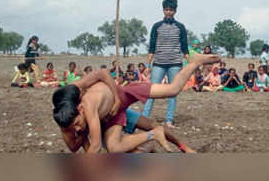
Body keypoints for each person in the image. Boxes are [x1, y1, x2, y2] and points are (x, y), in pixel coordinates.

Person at [52, 53, 219, 153]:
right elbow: (76, 147)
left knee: (172, 90)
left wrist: (117, 98)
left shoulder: (83, 99)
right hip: (111, 115)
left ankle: (195, 62)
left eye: (76, 123)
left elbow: (95, 147)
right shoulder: (65, 118)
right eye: (72, 127)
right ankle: (150, 145)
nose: (77, 128)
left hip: (122, 95)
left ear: (78, 107)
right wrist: (79, 132)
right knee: (118, 147)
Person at [143, 0, 190, 128]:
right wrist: (148, 65)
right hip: (158, 63)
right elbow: (151, 47)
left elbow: (184, 47)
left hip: (175, 64)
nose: (168, 12)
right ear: (163, 10)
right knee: (151, 92)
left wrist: (190, 64)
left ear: (175, 11)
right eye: (166, 9)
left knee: (172, 92)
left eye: (171, 10)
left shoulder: (180, 27)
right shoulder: (156, 26)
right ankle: (144, 118)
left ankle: (169, 120)